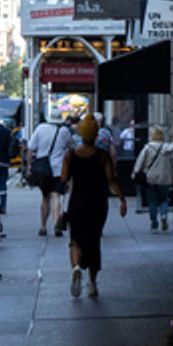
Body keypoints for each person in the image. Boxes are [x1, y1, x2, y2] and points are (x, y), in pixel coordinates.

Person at [61, 113, 126, 299]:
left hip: (77, 202)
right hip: (97, 203)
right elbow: (111, 179)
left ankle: (76, 268)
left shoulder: (70, 155)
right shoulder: (102, 156)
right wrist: (121, 199)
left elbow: (64, 178)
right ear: (96, 135)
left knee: (75, 240)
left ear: (81, 133)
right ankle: (92, 283)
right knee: (93, 241)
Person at [139, 126, 173, 231]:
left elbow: (140, 163)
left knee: (152, 201)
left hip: (150, 179)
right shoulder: (168, 149)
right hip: (165, 178)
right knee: (164, 199)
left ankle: (154, 222)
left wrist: (135, 174)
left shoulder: (147, 148)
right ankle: (164, 215)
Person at [27, 111, 67, 235]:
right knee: (56, 196)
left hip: (43, 170)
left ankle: (43, 226)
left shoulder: (40, 128)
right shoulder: (64, 131)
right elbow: (72, 147)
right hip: (58, 169)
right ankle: (56, 225)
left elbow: (30, 149)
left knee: (45, 198)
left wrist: (29, 167)